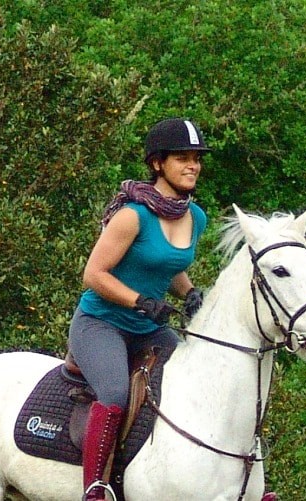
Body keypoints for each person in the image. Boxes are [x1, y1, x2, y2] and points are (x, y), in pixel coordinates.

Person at [69, 117, 210, 500]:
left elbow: (169, 264)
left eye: (196, 158)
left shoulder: (195, 217)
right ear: (157, 164)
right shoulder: (132, 215)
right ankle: (95, 486)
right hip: (102, 323)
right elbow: (93, 274)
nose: (193, 165)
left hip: (148, 328)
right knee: (115, 392)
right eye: (182, 158)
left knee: (193, 384)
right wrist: (139, 301)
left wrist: (190, 291)